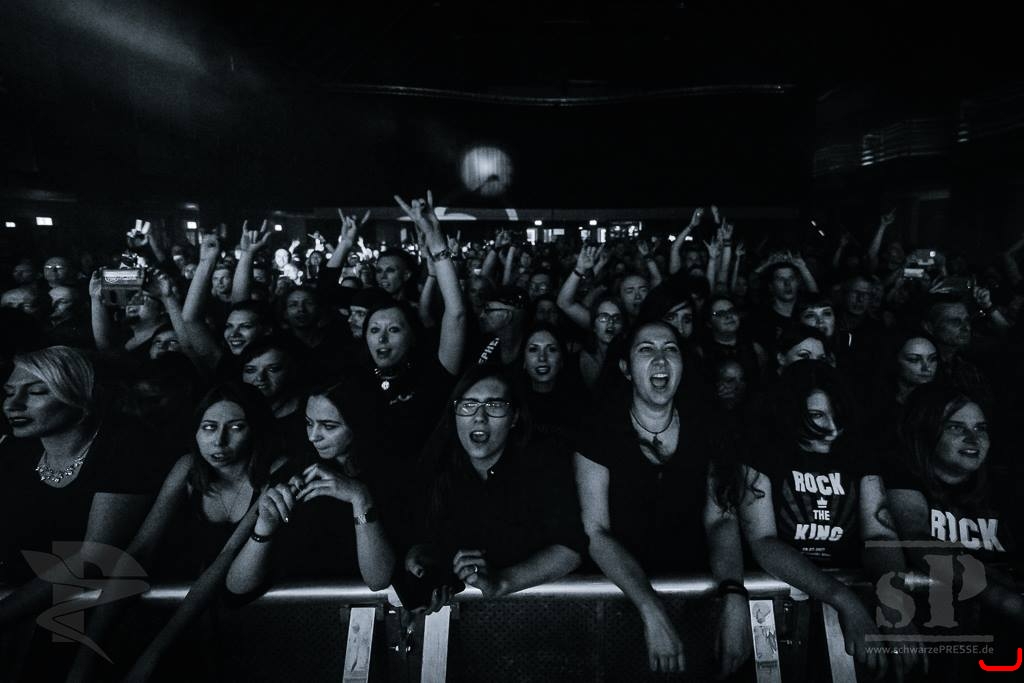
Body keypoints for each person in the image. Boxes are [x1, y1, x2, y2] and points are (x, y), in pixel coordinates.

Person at [574, 321, 751, 676]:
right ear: (625, 368)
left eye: (670, 349)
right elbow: (596, 532)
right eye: (646, 349)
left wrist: (735, 595)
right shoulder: (597, 431)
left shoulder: (707, 427)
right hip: (620, 600)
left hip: (698, 597)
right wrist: (651, 610)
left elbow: (720, 519)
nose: (660, 359)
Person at [737, 360, 908, 679]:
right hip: (779, 610)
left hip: (848, 611)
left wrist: (895, 605)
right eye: (817, 415)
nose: (831, 428)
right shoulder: (762, 453)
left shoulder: (858, 455)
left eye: (836, 415)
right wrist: (842, 598)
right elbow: (763, 541)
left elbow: (880, 536)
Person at [0, 347, 158, 680]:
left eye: (36, 392)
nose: (13, 405)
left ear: (79, 397)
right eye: (9, 392)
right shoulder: (13, 452)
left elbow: (94, 558)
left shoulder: (127, 447)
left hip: (92, 625)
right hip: (22, 618)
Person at [401, 365, 585, 610]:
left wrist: (501, 582)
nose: (480, 416)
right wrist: (424, 561)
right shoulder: (437, 467)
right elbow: (426, 542)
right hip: (471, 618)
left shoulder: (544, 463)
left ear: (514, 418)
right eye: (469, 405)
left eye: (494, 405)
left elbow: (570, 549)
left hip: (548, 610)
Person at [886, 386, 1021, 677]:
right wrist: (1002, 597)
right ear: (926, 431)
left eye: (980, 428)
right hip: (936, 647)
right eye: (956, 427)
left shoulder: (1004, 488)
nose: (973, 438)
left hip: (1005, 647)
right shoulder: (901, 481)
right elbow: (918, 540)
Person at [226, 383, 396, 595]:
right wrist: (264, 526)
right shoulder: (294, 473)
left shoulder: (391, 476)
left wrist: (360, 497)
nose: (313, 436)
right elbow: (236, 586)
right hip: (300, 607)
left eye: (329, 426)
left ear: (359, 424)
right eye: (309, 423)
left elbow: (378, 580)